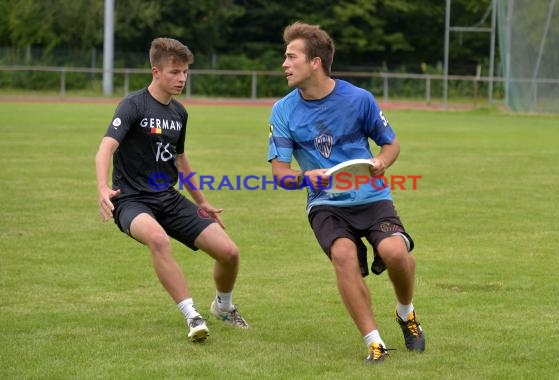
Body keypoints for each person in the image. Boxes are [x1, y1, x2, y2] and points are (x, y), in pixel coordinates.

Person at [267, 22, 425, 363]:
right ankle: (374, 342)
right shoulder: (283, 111)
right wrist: (307, 178)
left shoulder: (359, 99)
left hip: (372, 196)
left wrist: (382, 160)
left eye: (291, 57)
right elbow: (280, 174)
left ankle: (406, 314)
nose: (284, 64)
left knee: (396, 254)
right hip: (325, 204)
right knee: (343, 256)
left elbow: (391, 143)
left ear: (315, 62)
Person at [95, 37, 248, 343]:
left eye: (185, 72)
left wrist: (202, 202)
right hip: (131, 200)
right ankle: (193, 316)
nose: (181, 79)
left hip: (168, 198)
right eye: (175, 72)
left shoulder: (179, 113)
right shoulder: (132, 105)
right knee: (157, 239)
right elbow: (105, 148)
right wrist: (102, 187)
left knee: (229, 253)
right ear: (156, 72)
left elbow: (180, 159)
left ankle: (223, 306)